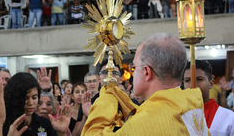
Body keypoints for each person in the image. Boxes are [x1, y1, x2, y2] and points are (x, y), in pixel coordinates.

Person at [81, 33, 209, 135]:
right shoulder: (191, 106)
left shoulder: (146, 123)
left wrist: (106, 97)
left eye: (134, 67)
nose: (133, 73)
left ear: (147, 72)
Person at [3, 72, 72, 136]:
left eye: (34, 98)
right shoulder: (3, 124)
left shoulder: (45, 123)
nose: (30, 103)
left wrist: (61, 133)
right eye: (25, 98)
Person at [184, 60, 234, 135]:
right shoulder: (178, 116)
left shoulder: (228, 118)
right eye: (187, 80)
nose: (192, 85)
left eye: (199, 79)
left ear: (211, 84)